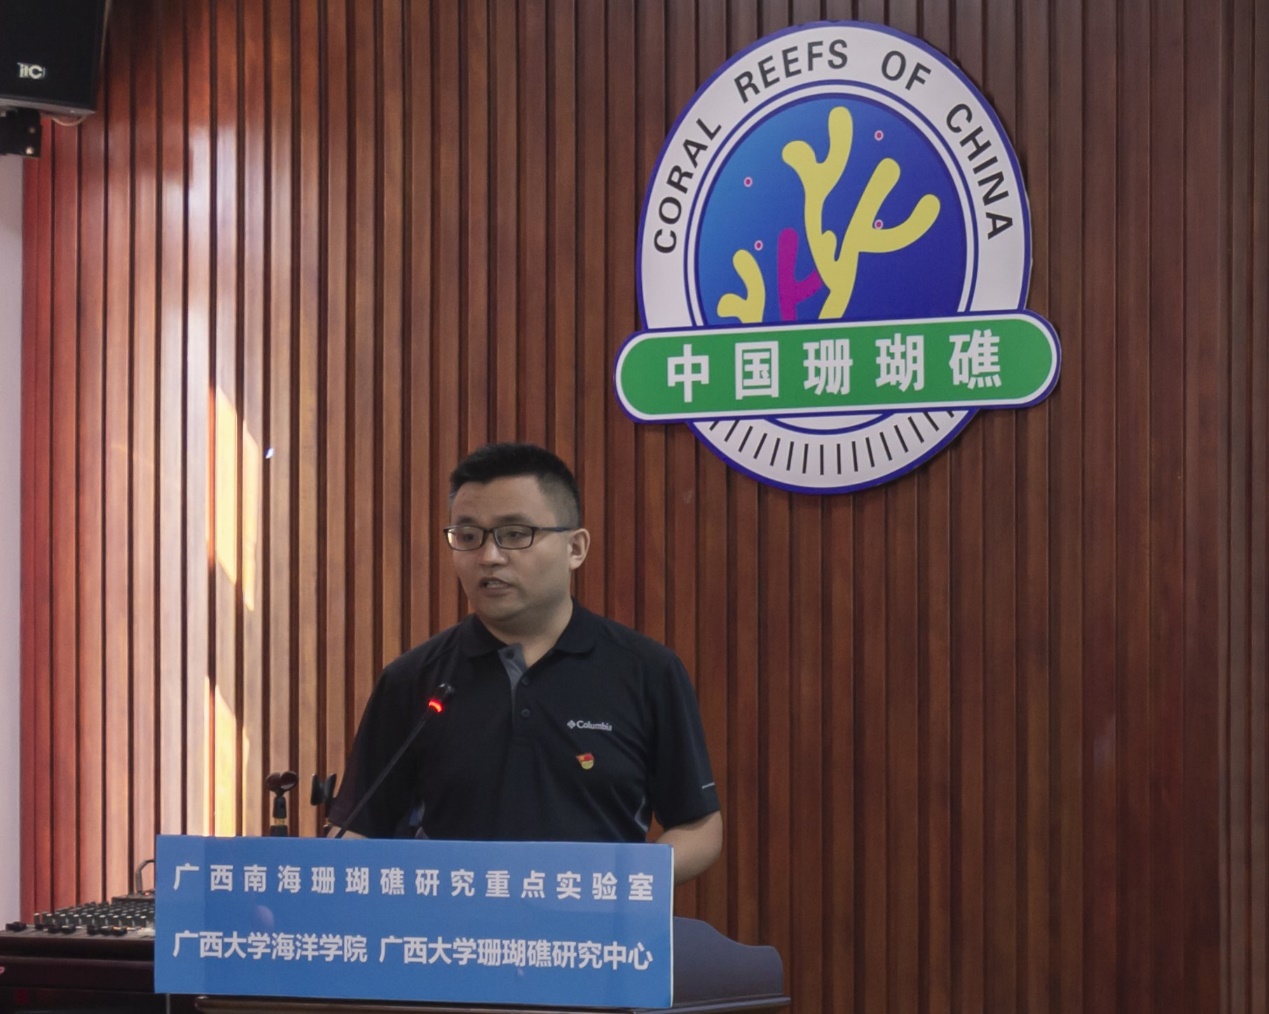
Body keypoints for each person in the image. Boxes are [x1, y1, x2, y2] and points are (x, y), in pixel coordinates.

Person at [328, 442, 723, 883]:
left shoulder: (646, 671)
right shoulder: (412, 679)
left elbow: (699, 826)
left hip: (594, 919)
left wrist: (623, 884)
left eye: (515, 534)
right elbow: (356, 829)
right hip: (451, 922)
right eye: (468, 536)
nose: (489, 556)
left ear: (575, 548)